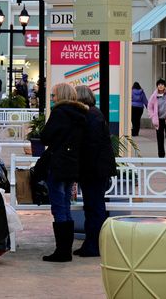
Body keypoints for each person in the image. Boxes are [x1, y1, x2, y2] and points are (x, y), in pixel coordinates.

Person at [40, 83, 87, 262]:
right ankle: (65, 250)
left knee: (58, 206)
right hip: (72, 165)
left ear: (61, 95)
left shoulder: (59, 113)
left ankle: (62, 251)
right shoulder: (81, 114)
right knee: (65, 205)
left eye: (53, 95)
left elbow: (46, 136)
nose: (52, 99)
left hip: (58, 164)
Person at [74, 85, 116, 258]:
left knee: (94, 208)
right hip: (97, 169)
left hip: (94, 170)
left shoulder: (90, 116)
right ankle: (91, 243)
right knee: (93, 207)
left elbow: (90, 146)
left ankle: (95, 245)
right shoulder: (94, 114)